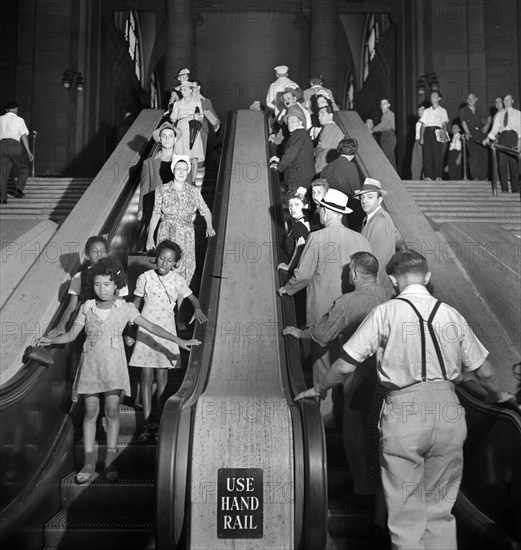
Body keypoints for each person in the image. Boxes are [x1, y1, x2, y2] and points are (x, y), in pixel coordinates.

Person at [294, 250, 514, 550]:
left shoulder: (385, 313)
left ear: (394, 281)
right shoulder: (451, 315)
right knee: (439, 511)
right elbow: (485, 371)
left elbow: (345, 366)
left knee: (406, 517)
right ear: (427, 277)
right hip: (448, 412)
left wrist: (318, 389)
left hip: (405, 412)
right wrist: (497, 396)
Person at [38, 258, 200, 484]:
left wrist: (177, 341)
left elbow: (151, 327)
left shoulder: (126, 308)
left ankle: (111, 460)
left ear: (116, 285)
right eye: (97, 284)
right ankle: (88, 462)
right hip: (90, 366)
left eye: (106, 284)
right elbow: (71, 336)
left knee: (112, 412)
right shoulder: (87, 307)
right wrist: (49, 341)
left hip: (114, 365)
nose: (101, 289)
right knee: (91, 412)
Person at [283, 252, 391, 531]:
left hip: (359, 373)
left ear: (354, 273)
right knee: (376, 436)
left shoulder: (349, 301)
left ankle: (363, 491)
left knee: (354, 432)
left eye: (348, 272)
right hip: (388, 377)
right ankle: (378, 499)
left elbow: (323, 333)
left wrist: (299, 332)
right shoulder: (389, 295)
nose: (347, 276)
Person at [278, 189, 372, 426]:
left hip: (323, 312)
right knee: (351, 363)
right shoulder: (361, 239)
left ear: (328, 211)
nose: (318, 211)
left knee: (323, 366)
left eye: (320, 207)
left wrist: (286, 290)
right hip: (355, 313)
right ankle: (349, 417)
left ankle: (326, 417)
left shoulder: (317, 238)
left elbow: (304, 274)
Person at [129, 240, 207, 442]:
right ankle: (146, 424)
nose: (164, 263)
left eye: (169, 260)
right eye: (162, 258)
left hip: (166, 330)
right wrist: (129, 328)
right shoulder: (144, 277)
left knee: (162, 379)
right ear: (156, 258)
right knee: (146, 378)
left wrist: (197, 309)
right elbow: (135, 304)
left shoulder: (178, 280)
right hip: (146, 330)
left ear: (175, 263)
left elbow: (193, 299)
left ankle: (160, 421)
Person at [146, 155, 216, 285]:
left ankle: (180, 300)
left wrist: (209, 226)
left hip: (186, 235)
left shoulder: (194, 192)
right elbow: (155, 214)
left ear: (188, 171)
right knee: (165, 265)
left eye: (184, 169)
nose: (181, 172)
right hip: (166, 233)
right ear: (173, 170)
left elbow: (205, 210)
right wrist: (150, 237)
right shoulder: (162, 189)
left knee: (185, 267)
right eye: (178, 169)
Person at [48, 235, 128, 337]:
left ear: (107, 253)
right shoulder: (79, 277)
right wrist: (61, 324)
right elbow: (72, 305)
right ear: (87, 256)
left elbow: (119, 302)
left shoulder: (117, 273)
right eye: (94, 251)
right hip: (88, 324)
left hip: (111, 324)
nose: (100, 254)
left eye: (103, 251)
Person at [355, 178, 403, 289]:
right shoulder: (374, 217)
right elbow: (398, 239)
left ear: (379, 200)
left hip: (377, 285)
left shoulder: (380, 221)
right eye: (362, 197)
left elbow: (376, 262)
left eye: (370, 197)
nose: (364, 201)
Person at [137, 122, 182, 227]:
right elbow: (144, 188)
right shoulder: (148, 163)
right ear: (160, 140)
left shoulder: (182, 161)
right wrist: (140, 209)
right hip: (153, 208)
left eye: (171, 136)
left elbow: (187, 187)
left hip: (175, 210)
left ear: (175, 140)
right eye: (164, 136)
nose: (167, 139)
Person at [320, 138, 364, 231]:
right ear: (354, 152)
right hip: (344, 210)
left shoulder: (327, 167)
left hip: (328, 209)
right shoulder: (350, 166)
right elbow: (357, 191)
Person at [269, 107, 315, 191]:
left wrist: (279, 166)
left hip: (298, 177)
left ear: (300, 122)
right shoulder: (301, 134)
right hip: (302, 176)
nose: (290, 124)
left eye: (293, 121)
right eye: (288, 122)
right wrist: (279, 159)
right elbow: (297, 155)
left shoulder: (298, 133)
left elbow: (291, 153)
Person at [483, 93, 520, 193]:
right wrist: (488, 138)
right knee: (502, 163)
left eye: (508, 100)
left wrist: (519, 142)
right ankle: (504, 188)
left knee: (514, 164)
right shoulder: (499, 114)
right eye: (505, 100)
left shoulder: (518, 113)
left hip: (513, 136)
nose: (506, 102)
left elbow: (520, 129)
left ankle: (515, 189)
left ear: (512, 101)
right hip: (502, 137)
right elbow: (495, 130)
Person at [170, 81, 205, 181]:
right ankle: (180, 180)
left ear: (190, 90)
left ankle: (193, 181)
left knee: (194, 157)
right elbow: (173, 119)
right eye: (181, 89)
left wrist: (197, 117)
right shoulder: (177, 104)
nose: (183, 91)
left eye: (185, 89)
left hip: (192, 129)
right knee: (180, 155)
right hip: (181, 129)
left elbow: (201, 118)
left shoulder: (197, 103)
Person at [0, 101, 34, 203]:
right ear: (16, 109)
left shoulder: (0, 119)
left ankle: (2, 198)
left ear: (6, 109)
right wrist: (28, 151)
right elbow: (23, 135)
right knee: (24, 167)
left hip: (1, 146)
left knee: (2, 173)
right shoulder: (19, 120)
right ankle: (18, 189)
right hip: (15, 145)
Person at [277, 186, 311, 274]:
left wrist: (289, 267)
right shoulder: (307, 221)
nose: (292, 208)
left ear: (306, 206)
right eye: (290, 205)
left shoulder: (299, 227)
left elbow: (299, 251)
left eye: (296, 204)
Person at [420, 91, 449, 180]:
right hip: (428, 132)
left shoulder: (442, 110)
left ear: (439, 98)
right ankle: (428, 176)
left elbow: (444, 124)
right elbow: (423, 125)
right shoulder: (426, 111)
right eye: (432, 96)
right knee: (427, 155)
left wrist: (443, 135)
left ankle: (438, 176)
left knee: (437, 155)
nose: (433, 97)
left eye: (435, 96)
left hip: (438, 131)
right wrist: (421, 137)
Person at [460, 93, 489, 180]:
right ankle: (475, 177)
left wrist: (487, 126)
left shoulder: (481, 109)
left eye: (472, 98)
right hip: (472, 134)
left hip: (482, 134)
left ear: (476, 99)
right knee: (474, 156)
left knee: (484, 155)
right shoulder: (464, 110)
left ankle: (483, 177)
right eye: (468, 98)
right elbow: (463, 122)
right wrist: (468, 132)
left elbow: (489, 117)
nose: (470, 100)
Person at [191, 78, 221, 155]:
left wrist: (216, 125)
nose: (191, 89)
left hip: (201, 130)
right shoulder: (186, 100)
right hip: (188, 129)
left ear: (199, 87)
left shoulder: (205, 101)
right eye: (190, 88)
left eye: (193, 87)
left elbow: (211, 117)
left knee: (200, 155)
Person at [314, 105, 345, 174]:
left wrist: (312, 153)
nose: (319, 117)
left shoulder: (329, 127)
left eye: (322, 114)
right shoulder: (336, 128)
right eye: (318, 115)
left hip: (323, 163)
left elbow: (322, 145)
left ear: (330, 115)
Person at [369, 98, 397, 170]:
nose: (383, 105)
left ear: (388, 105)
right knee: (390, 158)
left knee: (385, 157)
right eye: (381, 104)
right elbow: (382, 127)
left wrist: (373, 130)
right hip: (385, 135)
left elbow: (383, 124)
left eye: (385, 103)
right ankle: (394, 176)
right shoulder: (384, 114)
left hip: (389, 136)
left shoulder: (390, 113)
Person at [411, 105, 425, 180]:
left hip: (423, 142)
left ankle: (426, 180)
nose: (420, 111)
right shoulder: (418, 121)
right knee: (415, 162)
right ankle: (415, 180)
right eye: (419, 110)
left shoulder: (427, 121)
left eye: (422, 110)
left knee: (423, 162)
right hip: (417, 142)